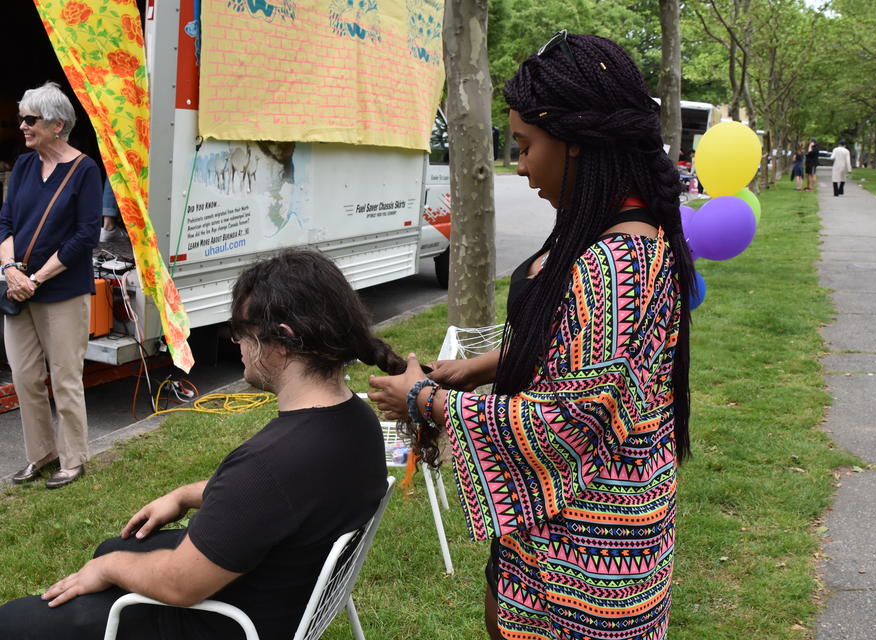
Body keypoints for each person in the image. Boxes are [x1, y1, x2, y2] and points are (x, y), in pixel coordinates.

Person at [370, 31, 694, 640]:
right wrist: (488, 364)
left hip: (585, 553)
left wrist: (424, 399)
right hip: (589, 530)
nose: (518, 166)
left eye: (524, 146)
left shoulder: (613, 264)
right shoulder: (625, 234)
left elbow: (569, 419)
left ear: (576, 144)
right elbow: (591, 360)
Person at [0, 249, 395, 639]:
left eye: (240, 331)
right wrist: (186, 495)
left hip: (224, 621)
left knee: (16, 619)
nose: (236, 343)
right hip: (282, 598)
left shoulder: (270, 464)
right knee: (112, 546)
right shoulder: (356, 422)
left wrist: (107, 570)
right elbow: (286, 498)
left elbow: (179, 585)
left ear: (283, 341)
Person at [0, 81, 101, 489]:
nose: (22, 126)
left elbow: (85, 236)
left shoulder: (85, 170)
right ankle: (41, 454)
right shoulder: (23, 166)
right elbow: (5, 221)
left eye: (30, 119)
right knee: (24, 376)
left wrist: (35, 278)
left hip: (61, 291)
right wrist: (9, 271)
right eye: (21, 118)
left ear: (58, 125)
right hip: (16, 287)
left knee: (64, 377)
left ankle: (73, 459)